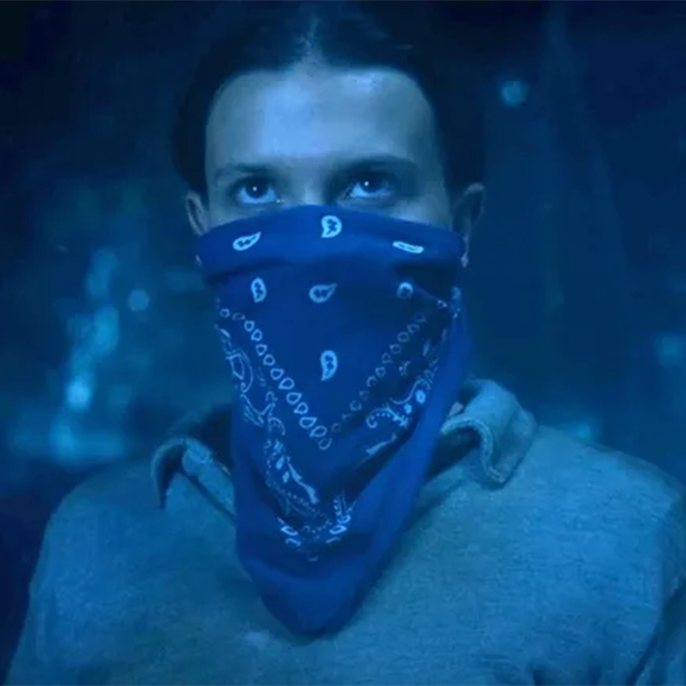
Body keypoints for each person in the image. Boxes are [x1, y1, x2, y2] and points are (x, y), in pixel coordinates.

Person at [7, 0, 686, 684]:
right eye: (256, 189)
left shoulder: (626, 534)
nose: (313, 243)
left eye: (369, 184)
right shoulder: (96, 539)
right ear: (201, 227)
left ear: (462, 224)